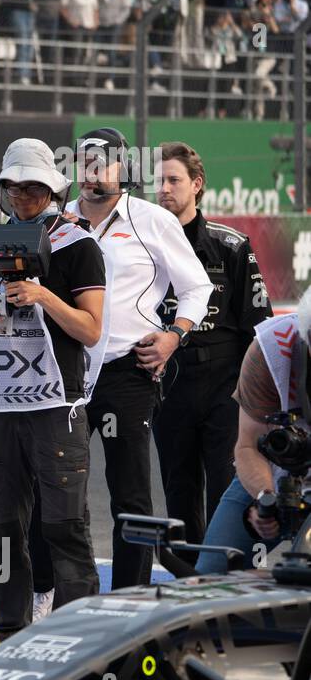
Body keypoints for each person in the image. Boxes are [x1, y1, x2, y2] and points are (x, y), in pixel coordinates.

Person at [0, 139, 107, 634]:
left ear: (53, 190)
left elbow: (91, 329)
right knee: (2, 531)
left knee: (64, 526)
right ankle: (9, 630)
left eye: (34, 187)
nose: (23, 196)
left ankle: (77, 633)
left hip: (56, 407)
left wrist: (43, 296)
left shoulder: (78, 245)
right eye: (14, 187)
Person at [49, 127, 213, 593]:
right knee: (61, 493)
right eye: (83, 163)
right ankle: (69, 597)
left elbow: (197, 288)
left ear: (126, 169)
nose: (90, 173)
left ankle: (130, 600)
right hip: (64, 374)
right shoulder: (58, 223)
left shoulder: (150, 219)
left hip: (128, 373)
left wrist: (173, 336)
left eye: (102, 163)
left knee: (131, 496)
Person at [153, 142, 271, 553]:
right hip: (167, 383)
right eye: (159, 180)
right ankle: (189, 582)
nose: (164, 188)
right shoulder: (141, 248)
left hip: (225, 386)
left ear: (196, 184)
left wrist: (258, 399)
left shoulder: (232, 245)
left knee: (227, 489)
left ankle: (231, 578)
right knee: (178, 491)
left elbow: (260, 329)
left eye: (174, 179)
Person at [195, 287, 311, 574]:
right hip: (281, 470)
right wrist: (266, 498)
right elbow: (247, 445)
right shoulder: (272, 349)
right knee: (211, 572)